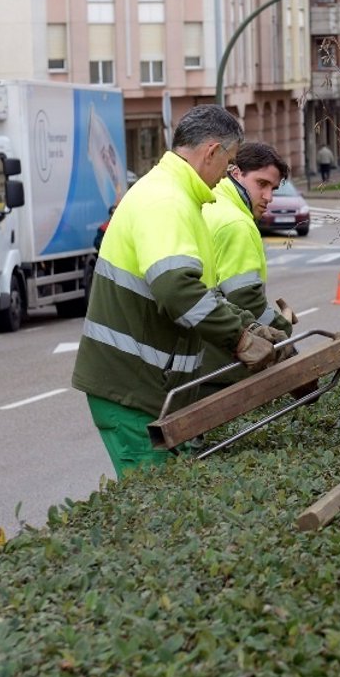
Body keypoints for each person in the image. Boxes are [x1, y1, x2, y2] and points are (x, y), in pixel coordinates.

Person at [71, 105, 288, 478]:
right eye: (228, 163)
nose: (226, 175)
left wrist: (250, 326)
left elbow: (202, 292)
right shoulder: (166, 201)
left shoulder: (177, 197)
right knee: (153, 501)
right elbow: (178, 291)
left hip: (146, 388)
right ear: (211, 152)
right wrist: (239, 339)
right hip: (133, 392)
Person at [199, 142, 296, 386]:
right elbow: (244, 299)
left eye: (273, 188)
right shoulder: (236, 223)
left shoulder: (211, 202)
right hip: (220, 359)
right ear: (236, 173)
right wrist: (281, 328)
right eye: (261, 184)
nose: (268, 197)